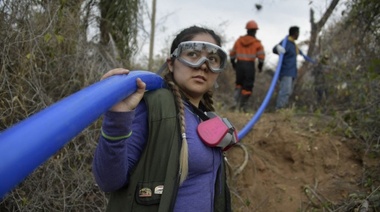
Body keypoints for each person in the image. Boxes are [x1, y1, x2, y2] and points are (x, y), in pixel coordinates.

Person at [92, 26, 237, 212]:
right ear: (171, 63)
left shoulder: (205, 116)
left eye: (213, 59)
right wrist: (116, 118)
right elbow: (108, 180)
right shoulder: (155, 107)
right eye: (193, 54)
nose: (203, 65)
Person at [272, 26, 315, 110]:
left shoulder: (293, 45)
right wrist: (277, 48)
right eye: (298, 33)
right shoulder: (286, 42)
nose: (299, 35)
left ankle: (283, 108)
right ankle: (279, 108)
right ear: (295, 33)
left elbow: (303, 55)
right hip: (286, 71)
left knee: (288, 91)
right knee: (285, 90)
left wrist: (315, 61)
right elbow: (275, 48)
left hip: (292, 72)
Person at [229, 20, 265, 112]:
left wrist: (234, 64)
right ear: (255, 31)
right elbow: (261, 57)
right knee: (248, 87)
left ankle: (235, 103)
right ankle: (243, 107)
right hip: (249, 66)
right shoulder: (257, 43)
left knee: (239, 84)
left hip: (239, 65)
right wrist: (260, 67)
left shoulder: (239, 41)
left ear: (247, 30)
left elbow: (232, 54)